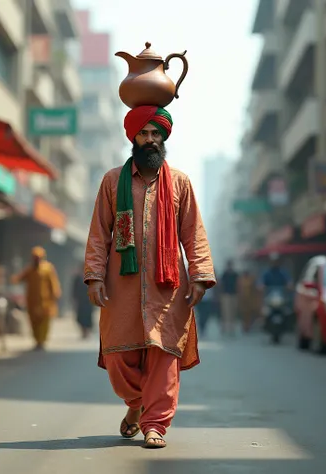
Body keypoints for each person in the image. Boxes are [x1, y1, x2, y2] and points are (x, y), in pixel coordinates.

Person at [84, 106, 216, 449]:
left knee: (163, 355)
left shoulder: (181, 183)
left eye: (156, 134)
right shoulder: (113, 181)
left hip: (167, 288)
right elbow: (100, 232)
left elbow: (193, 232)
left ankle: (154, 424)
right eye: (143, 134)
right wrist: (95, 276)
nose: (150, 140)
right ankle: (136, 404)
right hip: (120, 286)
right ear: (133, 138)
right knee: (118, 358)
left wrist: (200, 275)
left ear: (164, 137)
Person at [12, 247, 61, 351]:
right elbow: (20, 278)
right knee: (34, 322)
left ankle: (42, 341)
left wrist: (55, 293)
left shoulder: (48, 269)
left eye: (38, 258)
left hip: (45, 301)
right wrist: (13, 279)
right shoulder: (29, 270)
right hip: (32, 301)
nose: (36, 260)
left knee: (44, 322)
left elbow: (53, 282)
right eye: (35, 258)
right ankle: (37, 340)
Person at [72, 263, 93, 339]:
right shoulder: (77, 277)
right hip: (80, 301)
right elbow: (74, 289)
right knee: (80, 317)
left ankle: (87, 332)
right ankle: (83, 331)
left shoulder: (90, 277)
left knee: (88, 316)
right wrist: (74, 299)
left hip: (88, 301)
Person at [219, 259, 239, 336]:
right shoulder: (224, 274)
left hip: (234, 294)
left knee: (233, 312)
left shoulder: (235, 274)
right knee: (226, 312)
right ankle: (225, 327)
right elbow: (221, 284)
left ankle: (232, 328)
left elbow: (238, 284)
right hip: (226, 295)